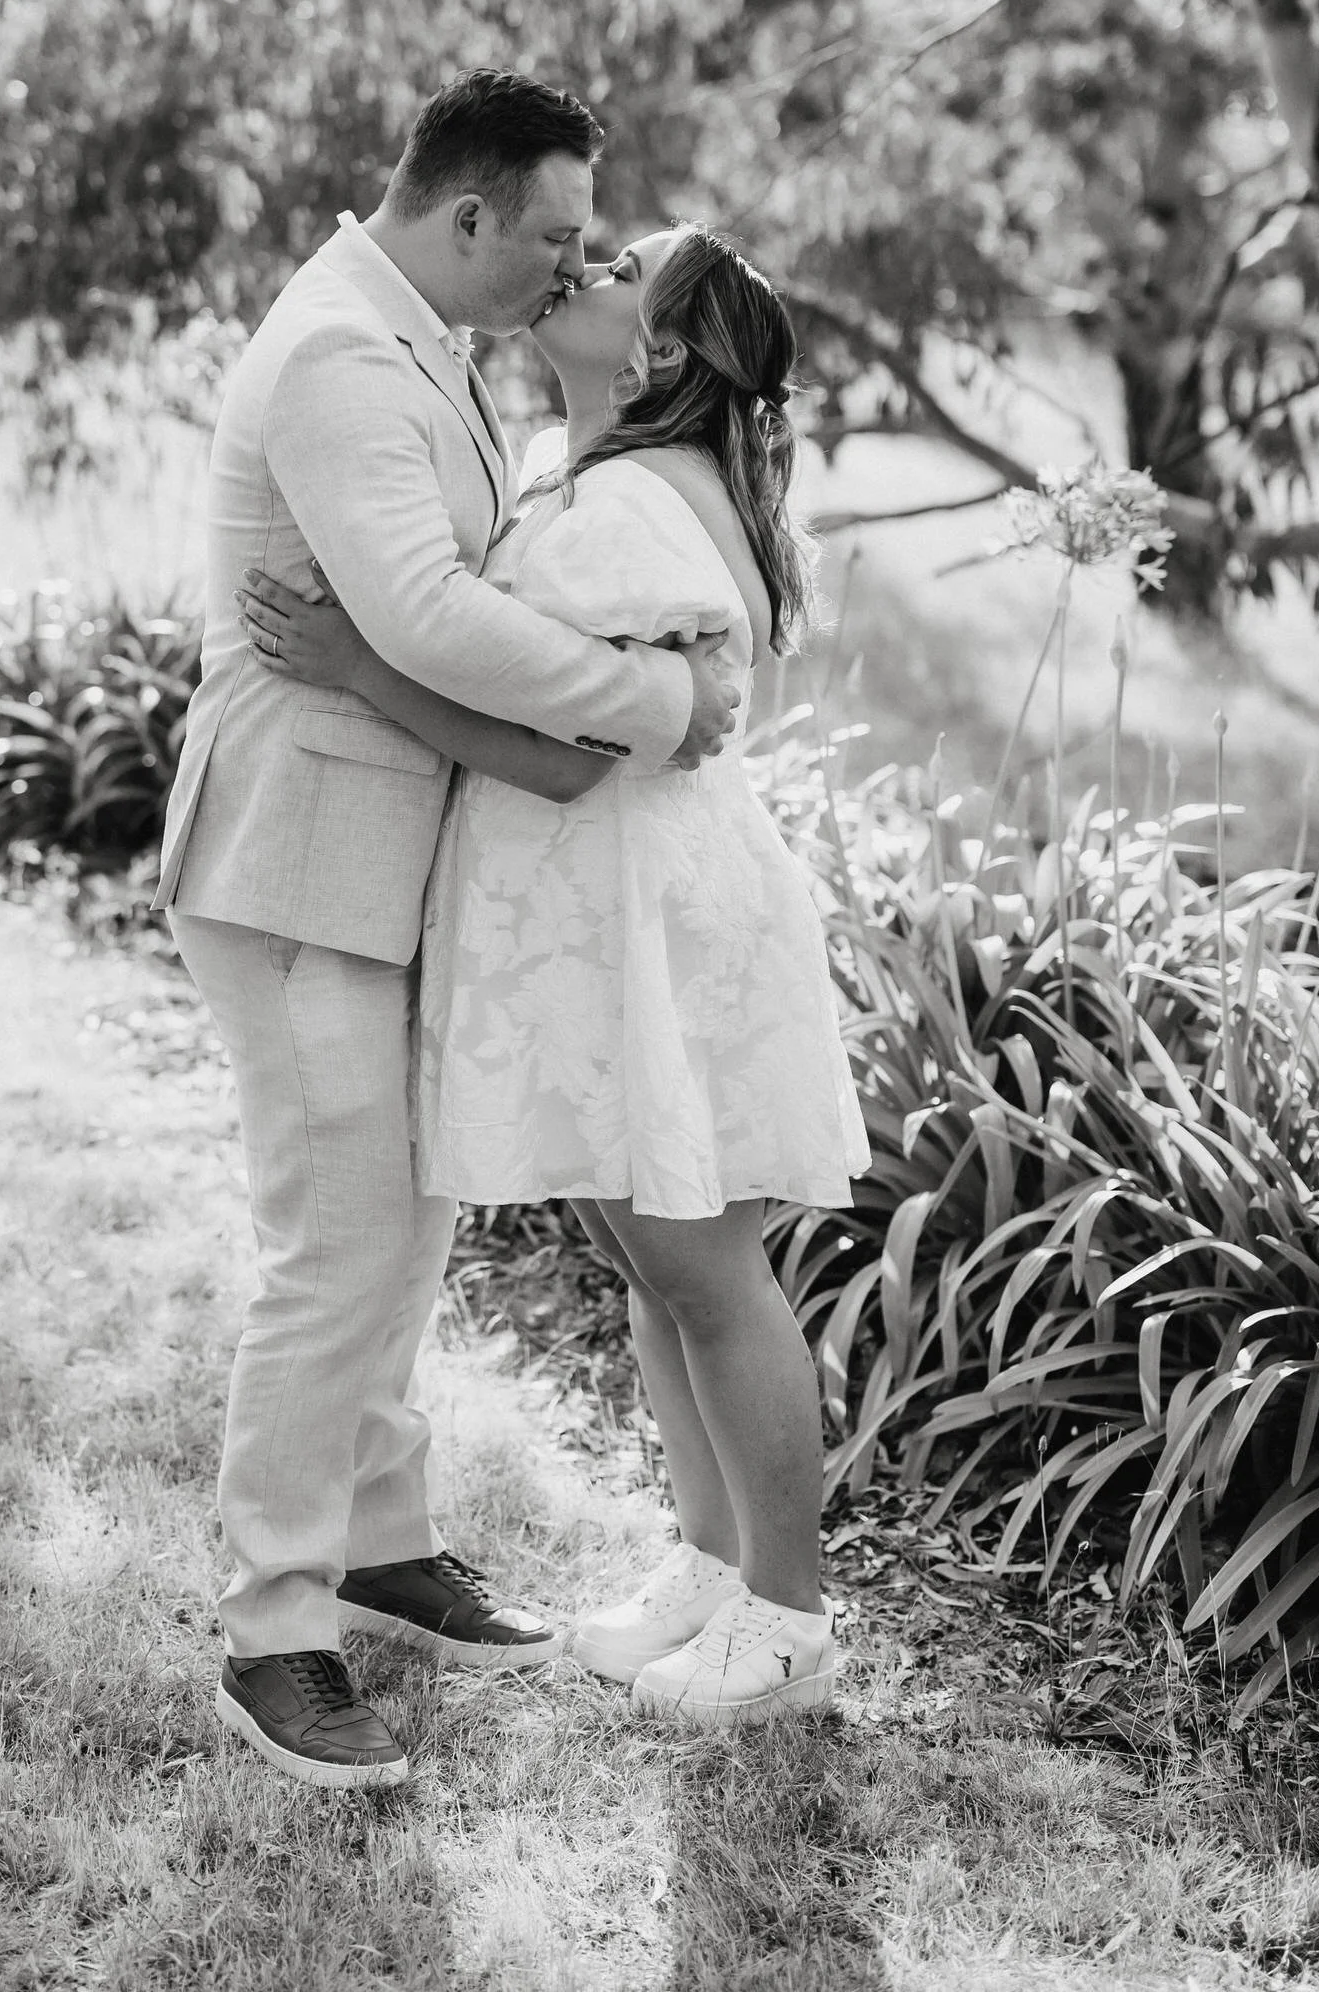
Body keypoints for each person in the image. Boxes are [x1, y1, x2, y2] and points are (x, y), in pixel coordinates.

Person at [153, 74, 742, 1789]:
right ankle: (272, 1627)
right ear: (466, 216)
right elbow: (423, 615)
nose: (570, 266)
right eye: (555, 234)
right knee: (334, 1242)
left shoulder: (424, 341)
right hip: (297, 859)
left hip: (388, 855)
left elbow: (447, 603)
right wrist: (653, 700)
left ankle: (384, 1541)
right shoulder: (343, 356)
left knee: (403, 1225)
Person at [240, 221, 870, 1729]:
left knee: (711, 1273)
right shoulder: (575, 469)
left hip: (656, 917)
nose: (582, 269)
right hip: (594, 927)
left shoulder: (645, 505)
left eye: (617, 272)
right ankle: (712, 1569)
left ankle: (787, 1613)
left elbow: (565, 753)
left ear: (656, 352)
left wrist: (357, 669)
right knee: (659, 1275)